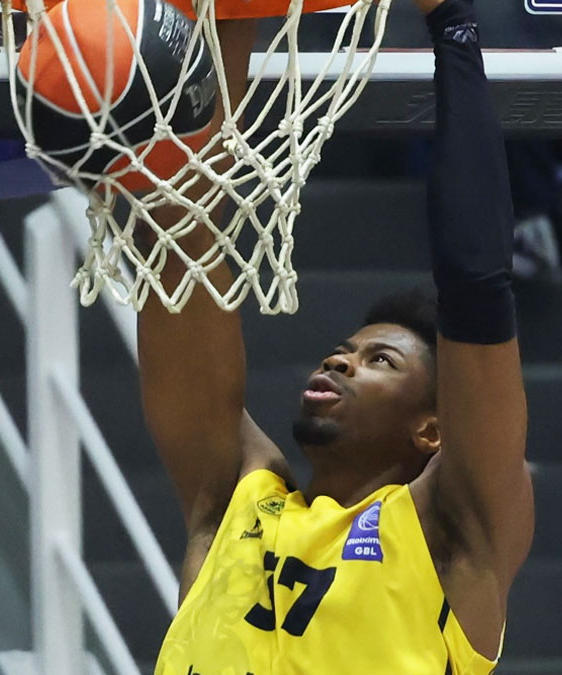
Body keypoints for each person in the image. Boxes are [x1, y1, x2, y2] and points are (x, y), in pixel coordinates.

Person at [138, 0, 534, 672]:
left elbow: (477, 285)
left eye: (380, 359)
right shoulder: (236, 499)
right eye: (345, 351)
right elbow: (179, 231)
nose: (340, 362)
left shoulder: (451, 532)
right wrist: (222, 15)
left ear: (434, 428)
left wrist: (452, 27)